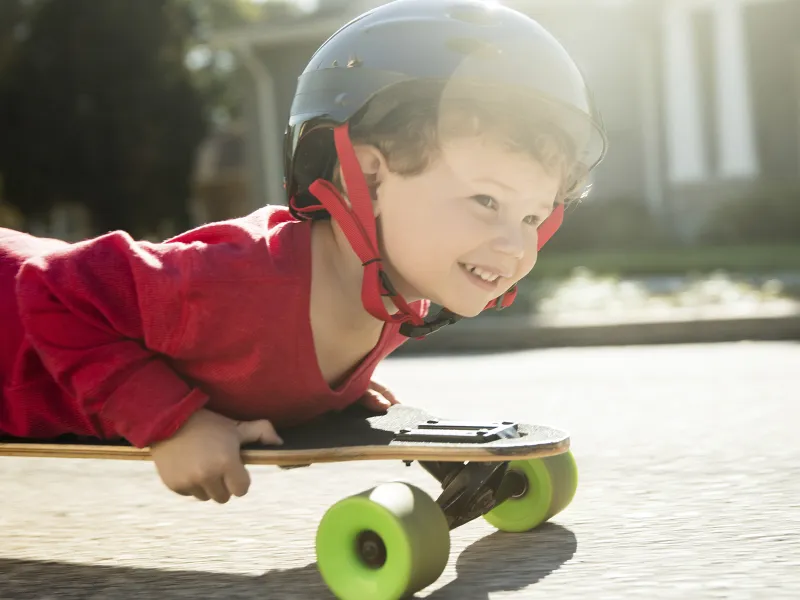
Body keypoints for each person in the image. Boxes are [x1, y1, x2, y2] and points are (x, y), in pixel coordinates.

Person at [0, 0, 607, 504]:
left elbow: (265, 355)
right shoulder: (236, 280)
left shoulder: (399, 288)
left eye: (533, 215)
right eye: (485, 201)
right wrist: (170, 422)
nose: (515, 242)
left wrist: (331, 390)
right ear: (365, 178)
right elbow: (52, 287)